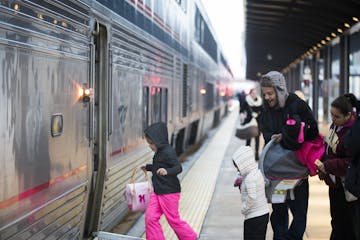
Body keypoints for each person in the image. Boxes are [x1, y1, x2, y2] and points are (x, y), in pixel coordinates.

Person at [259, 71, 319, 240]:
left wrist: (286, 136)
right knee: (278, 215)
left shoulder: (297, 105)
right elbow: (266, 132)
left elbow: (312, 130)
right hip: (277, 175)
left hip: (297, 174)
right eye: (265, 94)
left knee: (299, 215)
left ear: (279, 90)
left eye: (270, 93)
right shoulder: (266, 110)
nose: (268, 98)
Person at [141, 122, 197, 240]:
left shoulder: (168, 151)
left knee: (173, 220)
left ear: (159, 140)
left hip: (169, 192)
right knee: (150, 217)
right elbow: (158, 167)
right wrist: (148, 167)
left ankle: (190, 238)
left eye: (151, 143)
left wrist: (167, 171)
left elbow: (178, 168)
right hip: (158, 191)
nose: (150, 146)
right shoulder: (159, 152)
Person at [317, 94, 358, 240]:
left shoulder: (353, 132)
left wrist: (328, 165)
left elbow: (351, 162)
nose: (333, 120)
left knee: (347, 226)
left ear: (348, 115)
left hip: (349, 187)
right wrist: (323, 166)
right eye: (331, 115)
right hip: (335, 184)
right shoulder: (336, 125)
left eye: (337, 116)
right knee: (336, 221)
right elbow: (328, 147)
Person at [232, 145, 269, 240]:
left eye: (238, 167)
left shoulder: (249, 179)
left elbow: (252, 197)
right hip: (263, 214)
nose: (238, 170)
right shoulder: (256, 172)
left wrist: (244, 208)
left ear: (244, 164)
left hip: (254, 217)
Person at [245, 88, 263, 160]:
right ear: (250, 93)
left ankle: (256, 155)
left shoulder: (260, 101)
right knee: (248, 140)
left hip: (257, 123)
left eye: (255, 93)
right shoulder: (247, 101)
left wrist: (259, 115)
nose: (254, 94)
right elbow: (242, 110)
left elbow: (262, 111)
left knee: (257, 139)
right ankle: (247, 155)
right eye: (253, 93)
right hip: (249, 123)